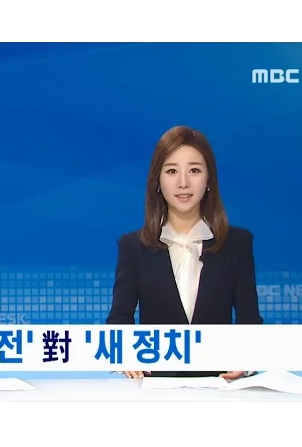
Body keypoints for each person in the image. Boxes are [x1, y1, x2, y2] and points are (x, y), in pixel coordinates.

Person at [106, 125, 263, 379]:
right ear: (158, 181)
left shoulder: (237, 243)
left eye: (194, 170)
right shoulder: (133, 247)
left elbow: (250, 320)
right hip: (154, 386)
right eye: (171, 171)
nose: (183, 183)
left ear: (209, 180)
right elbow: (119, 319)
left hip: (219, 386)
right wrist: (125, 355)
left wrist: (246, 361)